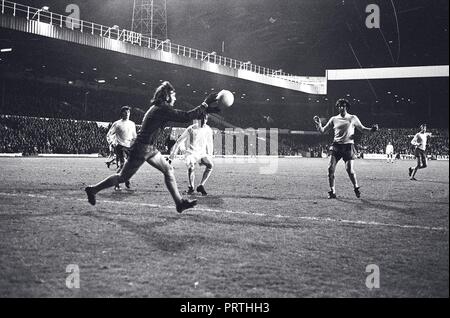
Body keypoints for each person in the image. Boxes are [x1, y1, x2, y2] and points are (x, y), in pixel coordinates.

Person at [85, 81, 220, 213]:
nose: (175, 98)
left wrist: (206, 110)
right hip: (142, 148)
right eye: (173, 95)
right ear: (167, 96)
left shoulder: (158, 108)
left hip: (148, 148)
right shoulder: (162, 109)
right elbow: (185, 117)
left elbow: (185, 115)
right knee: (122, 177)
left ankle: (179, 203)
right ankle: (93, 189)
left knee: (168, 170)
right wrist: (205, 103)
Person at [313, 99, 379, 199]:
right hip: (336, 146)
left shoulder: (353, 118)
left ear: (346, 107)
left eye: (343, 106)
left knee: (349, 170)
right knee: (330, 169)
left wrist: (372, 130)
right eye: (339, 106)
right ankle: (332, 191)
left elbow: (363, 129)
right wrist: (318, 124)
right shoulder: (334, 119)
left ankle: (356, 187)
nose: (341, 108)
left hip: (348, 147)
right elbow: (323, 131)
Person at [169, 113, 214, 196]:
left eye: (206, 119)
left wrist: (210, 155)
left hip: (201, 153)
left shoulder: (208, 129)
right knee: (191, 167)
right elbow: (179, 141)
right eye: (202, 119)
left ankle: (201, 185)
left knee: (210, 165)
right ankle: (191, 187)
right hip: (190, 153)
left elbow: (209, 143)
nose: (204, 121)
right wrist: (172, 156)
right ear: (198, 120)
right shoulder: (191, 128)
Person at [106, 106, 137, 190]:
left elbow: (134, 136)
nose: (127, 114)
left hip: (129, 147)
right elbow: (109, 134)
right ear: (121, 113)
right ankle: (116, 183)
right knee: (122, 165)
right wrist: (112, 143)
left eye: (128, 112)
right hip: (120, 146)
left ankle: (126, 179)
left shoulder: (132, 124)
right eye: (125, 112)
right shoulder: (117, 124)